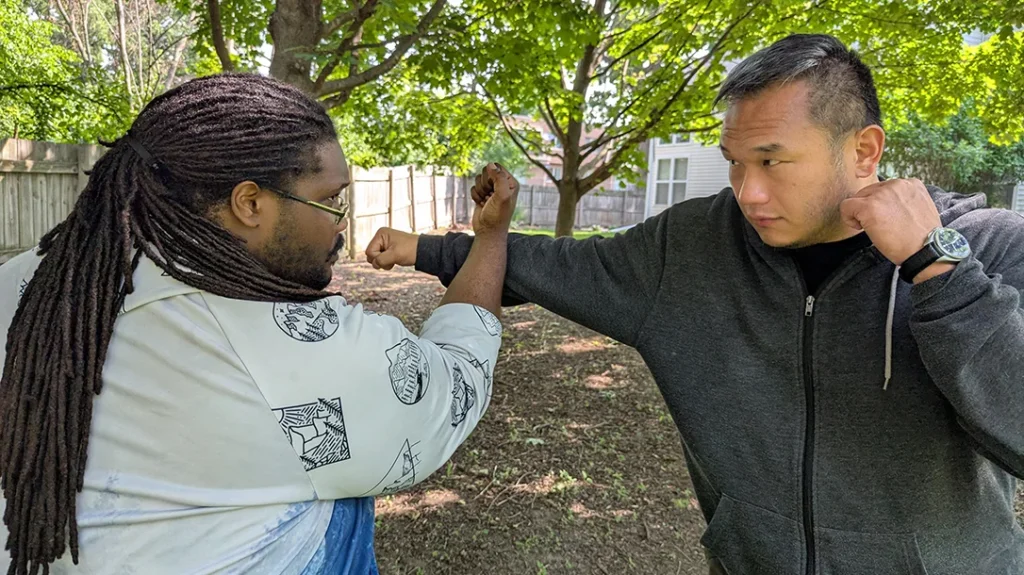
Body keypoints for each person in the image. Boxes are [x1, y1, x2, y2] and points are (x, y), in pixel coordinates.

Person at [366, 34, 1024, 574]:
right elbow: (554, 266)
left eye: (772, 161)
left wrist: (939, 271)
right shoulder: (690, 248)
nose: (747, 191)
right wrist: (425, 247)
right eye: (735, 162)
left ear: (865, 150)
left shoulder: (989, 248)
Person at [0, 73, 519, 574]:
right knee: (343, 492)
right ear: (250, 203)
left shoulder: (43, 278)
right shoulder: (284, 345)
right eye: (331, 199)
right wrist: (491, 238)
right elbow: (455, 381)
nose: (341, 221)